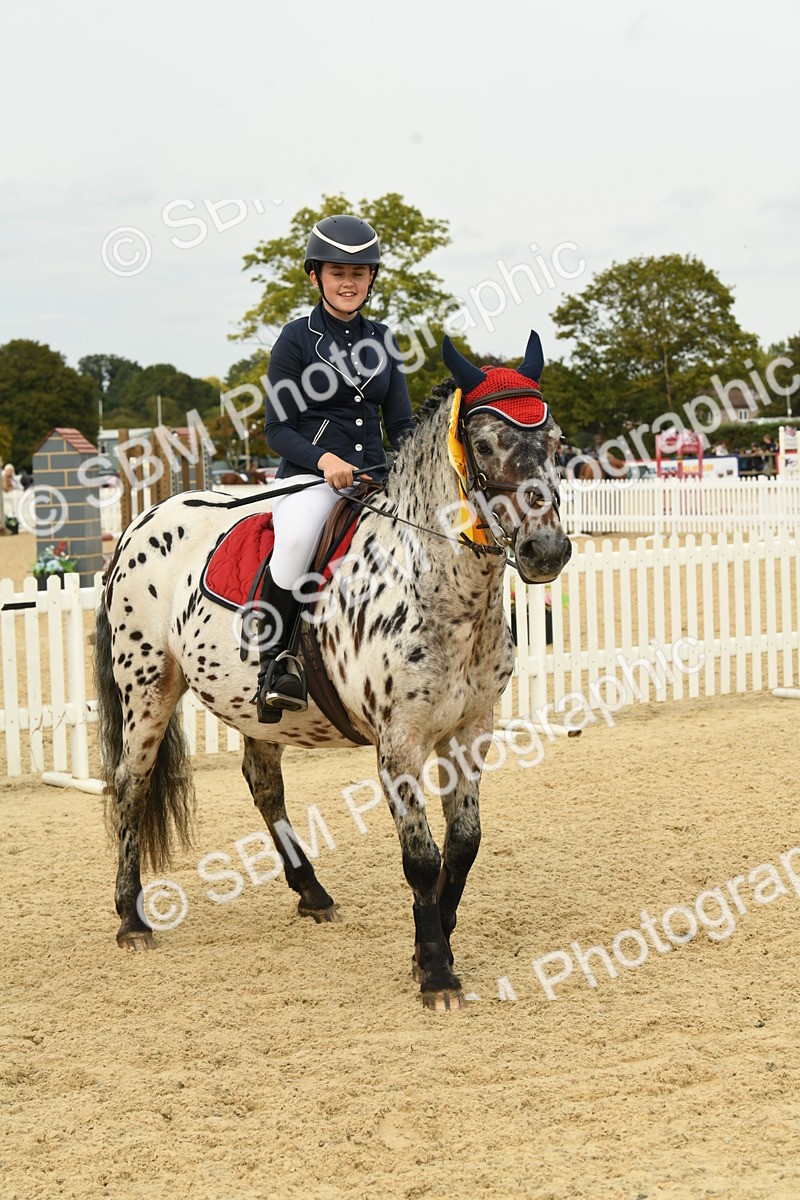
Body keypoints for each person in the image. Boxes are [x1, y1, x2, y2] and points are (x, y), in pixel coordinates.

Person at [255, 214, 415, 721]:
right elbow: (277, 428)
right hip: (310, 477)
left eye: (359, 273)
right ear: (315, 277)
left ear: (371, 280)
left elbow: (403, 424)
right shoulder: (295, 340)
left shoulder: (385, 340)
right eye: (337, 272)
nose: (348, 282)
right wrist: (325, 461)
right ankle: (274, 663)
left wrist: (415, 469)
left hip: (376, 477)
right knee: (299, 537)